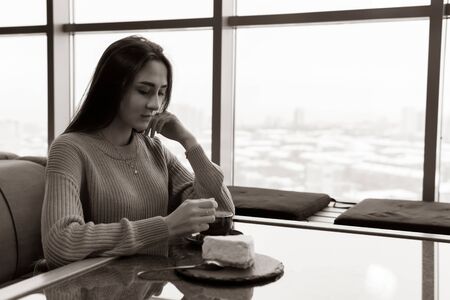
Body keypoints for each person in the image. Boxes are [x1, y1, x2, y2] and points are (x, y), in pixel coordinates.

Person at [41, 35, 235, 268]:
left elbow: (222, 210)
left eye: (161, 92)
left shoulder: (155, 151)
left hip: (151, 287)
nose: (155, 104)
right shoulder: (70, 148)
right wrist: (166, 227)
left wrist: (189, 142)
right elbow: (60, 243)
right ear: (113, 89)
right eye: (144, 91)